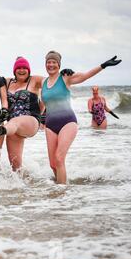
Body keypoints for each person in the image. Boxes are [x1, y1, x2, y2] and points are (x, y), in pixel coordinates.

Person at [41, 51, 121, 184]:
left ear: (59, 65)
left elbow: (85, 76)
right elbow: (29, 83)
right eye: (48, 62)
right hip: (50, 125)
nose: (51, 64)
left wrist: (103, 65)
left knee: (59, 159)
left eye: (54, 62)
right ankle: (58, 188)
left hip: (67, 122)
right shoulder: (43, 82)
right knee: (53, 164)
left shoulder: (65, 78)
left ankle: (62, 193)